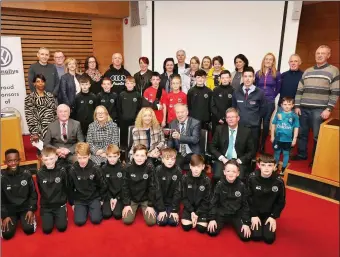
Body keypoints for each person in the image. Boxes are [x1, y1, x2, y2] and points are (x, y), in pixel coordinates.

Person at [292, 45, 339, 165]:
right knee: (302, 133)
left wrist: (329, 109)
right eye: (318, 53)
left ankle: (316, 160)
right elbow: (299, 90)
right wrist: (297, 106)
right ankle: (302, 154)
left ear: (328, 55)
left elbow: (335, 92)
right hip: (303, 108)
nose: (319, 55)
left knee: (317, 136)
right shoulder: (308, 71)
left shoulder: (333, 70)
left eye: (323, 53)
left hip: (319, 110)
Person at [207, 160, 251, 241]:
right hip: (222, 213)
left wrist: (246, 222)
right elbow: (213, 202)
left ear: (238, 173)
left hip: (236, 214)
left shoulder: (242, 186)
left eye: (234, 171)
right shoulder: (219, 184)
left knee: (246, 237)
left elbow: (245, 204)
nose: (231, 173)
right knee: (211, 232)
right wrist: (212, 219)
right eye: (228, 171)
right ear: (224, 172)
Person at [210, 108, 255, 185]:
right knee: (217, 176)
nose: (230, 119)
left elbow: (252, 151)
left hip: (238, 160)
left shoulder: (246, 131)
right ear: (226, 119)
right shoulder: (219, 129)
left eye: (233, 117)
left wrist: (240, 160)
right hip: (223, 159)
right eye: (228, 117)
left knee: (240, 178)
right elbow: (212, 146)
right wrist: (221, 158)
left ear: (238, 118)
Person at [248, 154, 286, 244]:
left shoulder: (279, 181)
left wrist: (273, 216)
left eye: (270, 165)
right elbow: (247, 198)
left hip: (268, 214)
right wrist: (253, 215)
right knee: (256, 237)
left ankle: (267, 221)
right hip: (254, 212)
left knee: (269, 239)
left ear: (275, 167)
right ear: (258, 165)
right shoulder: (251, 178)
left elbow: (281, 201)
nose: (266, 168)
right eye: (263, 165)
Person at [1, 149, 37, 240]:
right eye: (10, 161)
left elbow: (33, 193)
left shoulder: (26, 174)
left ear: (19, 160)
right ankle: (13, 218)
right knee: (7, 235)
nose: (13, 163)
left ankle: (25, 218)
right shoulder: (2, 177)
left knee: (29, 230)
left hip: (25, 207)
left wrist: (31, 209)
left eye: (16, 160)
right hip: (10, 210)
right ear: (5, 162)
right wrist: (4, 215)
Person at [68, 142, 107, 226]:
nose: (82, 161)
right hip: (80, 199)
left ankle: (94, 209)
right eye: (79, 158)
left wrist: (101, 199)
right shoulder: (72, 170)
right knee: (79, 222)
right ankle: (84, 210)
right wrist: (72, 203)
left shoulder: (96, 168)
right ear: (76, 156)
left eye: (84, 157)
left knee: (96, 220)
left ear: (89, 156)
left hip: (93, 198)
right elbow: (70, 188)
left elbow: (102, 185)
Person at [122, 144, 157, 226]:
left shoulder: (150, 167)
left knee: (151, 222)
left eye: (142, 155)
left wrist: (150, 205)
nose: (139, 158)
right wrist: (126, 204)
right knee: (127, 221)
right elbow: (125, 187)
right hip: (132, 198)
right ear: (133, 155)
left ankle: (143, 206)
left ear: (146, 157)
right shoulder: (127, 167)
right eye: (137, 155)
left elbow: (152, 186)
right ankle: (135, 207)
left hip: (145, 198)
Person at [232, 66, 266, 153]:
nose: (247, 79)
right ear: (242, 78)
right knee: (240, 148)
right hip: (240, 126)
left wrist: (256, 119)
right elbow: (234, 107)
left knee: (253, 149)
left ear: (254, 78)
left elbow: (263, 109)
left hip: (254, 127)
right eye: (245, 76)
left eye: (250, 76)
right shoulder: (236, 92)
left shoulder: (260, 93)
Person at [36, 146, 68, 234]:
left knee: (62, 228)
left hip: (59, 204)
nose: (49, 162)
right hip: (46, 206)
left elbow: (66, 187)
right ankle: (48, 216)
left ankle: (63, 211)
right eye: (46, 160)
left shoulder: (62, 171)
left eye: (51, 159)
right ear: (42, 159)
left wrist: (63, 200)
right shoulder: (39, 173)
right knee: (47, 230)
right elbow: (40, 189)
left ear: (56, 158)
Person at [255, 53, 282, 153]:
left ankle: (262, 145)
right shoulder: (258, 73)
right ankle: (256, 144)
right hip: (258, 102)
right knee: (257, 123)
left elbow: (278, 88)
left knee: (266, 123)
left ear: (273, 61)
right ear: (263, 60)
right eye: (266, 59)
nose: (268, 61)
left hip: (270, 102)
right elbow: (256, 86)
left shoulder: (277, 74)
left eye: (270, 59)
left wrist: (272, 96)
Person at [181, 154, 211, 233]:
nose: (196, 169)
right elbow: (183, 197)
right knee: (186, 227)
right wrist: (191, 211)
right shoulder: (185, 178)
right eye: (194, 166)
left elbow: (207, 200)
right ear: (190, 166)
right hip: (189, 208)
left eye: (198, 166)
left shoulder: (207, 180)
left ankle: (197, 217)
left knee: (201, 229)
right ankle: (191, 215)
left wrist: (197, 213)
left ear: (203, 167)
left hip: (202, 208)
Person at [24, 74, 57, 145]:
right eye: (38, 81)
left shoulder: (50, 96)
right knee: (42, 153)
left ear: (45, 83)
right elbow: (29, 116)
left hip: (52, 130)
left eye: (42, 81)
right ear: (34, 83)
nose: (40, 83)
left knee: (53, 152)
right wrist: (34, 132)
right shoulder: (29, 98)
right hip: (39, 131)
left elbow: (55, 112)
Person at [271, 97, 299, 175]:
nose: (287, 106)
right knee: (276, 153)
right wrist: (272, 136)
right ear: (281, 105)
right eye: (285, 104)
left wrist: (294, 139)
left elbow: (296, 127)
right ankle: (275, 167)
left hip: (288, 140)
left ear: (292, 105)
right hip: (278, 139)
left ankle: (283, 169)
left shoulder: (294, 116)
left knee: (286, 154)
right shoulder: (278, 114)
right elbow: (273, 124)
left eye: (289, 104)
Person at [167, 104, 201, 170]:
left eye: (182, 112)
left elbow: (195, 139)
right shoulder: (172, 123)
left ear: (187, 112)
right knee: (174, 167)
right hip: (179, 153)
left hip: (192, 153)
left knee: (196, 168)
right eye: (177, 112)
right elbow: (170, 140)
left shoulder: (195, 123)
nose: (180, 115)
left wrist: (180, 137)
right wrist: (168, 150)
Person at [154, 148, 182, 227]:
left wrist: (174, 210)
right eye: (167, 159)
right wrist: (161, 209)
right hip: (160, 202)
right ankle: (161, 211)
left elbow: (178, 192)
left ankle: (170, 211)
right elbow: (157, 191)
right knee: (163, 222)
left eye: (172, 159)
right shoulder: (158, 170)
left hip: (171, 203)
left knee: (173, 223)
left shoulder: (178, 171)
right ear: (162, 160)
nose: (170, 161)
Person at [101, 144, 125, 220]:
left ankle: (119, 204)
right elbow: (103, 186)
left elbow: (124, 186)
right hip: (108, 196)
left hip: (120, 196)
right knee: (106, 215)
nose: (112, 159)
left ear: (119, 155)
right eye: (110, 157)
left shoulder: (123, 168)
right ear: (106, 156)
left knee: (117, 215)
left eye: (115, 156)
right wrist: (110, 198)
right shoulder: (103, 168)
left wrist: (117, 198)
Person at [118, 76, 142, 149]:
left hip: (133, 121)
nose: (129, 85)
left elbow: (139, 108)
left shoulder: (137, 95)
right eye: (127, 83)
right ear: (125, 84)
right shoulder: (122, 94)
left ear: (134, 84)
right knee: (123, 139)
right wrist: (121, 118)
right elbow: (119, 108)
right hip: (123, 120)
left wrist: (136, 118)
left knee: (133, 138)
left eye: (131, 83)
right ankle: (123, 154)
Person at [211, 70, 234, 135]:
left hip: (229, 120)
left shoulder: (233, 90)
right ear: (220, 79)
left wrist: (226, 118)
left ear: (230, 79)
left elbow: (234, 106)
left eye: (227, 78)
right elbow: (212, 105)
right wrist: (219, 118)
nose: (225, 80)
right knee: (216, 139)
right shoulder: (215, 90)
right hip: (216, 119)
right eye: (223, 78)